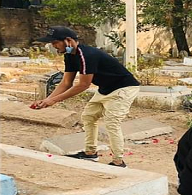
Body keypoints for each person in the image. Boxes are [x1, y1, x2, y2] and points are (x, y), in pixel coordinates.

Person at [32, 26, 140, 167]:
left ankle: (118, 161)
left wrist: (53, 100)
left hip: (123, 88)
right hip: (105, 89)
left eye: (55, 43)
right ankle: (90, 153)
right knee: (88, 116)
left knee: (112, 122)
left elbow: (83, 85)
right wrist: (47, 100)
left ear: (68, 41)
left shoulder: (86, 55)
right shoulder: (70, 55)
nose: (53, 46)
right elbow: (66, 82)